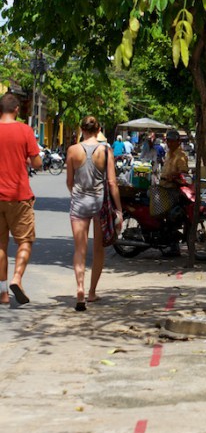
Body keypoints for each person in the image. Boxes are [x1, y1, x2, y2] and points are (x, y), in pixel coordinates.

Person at [66, 115, 122, 311]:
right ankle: (91, 292)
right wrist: (119, 209)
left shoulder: (72, 150)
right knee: (98, 249)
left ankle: (79, 288)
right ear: (99, 130)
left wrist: (77, 194)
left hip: (79, 203)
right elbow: (112, 183)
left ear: (82, 129)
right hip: (100, 204)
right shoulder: (106, 151)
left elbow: (69, 182)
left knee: (79, 249)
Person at [0, 93, 43, 305]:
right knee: (25, 241)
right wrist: (26, 159)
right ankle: (17, 278)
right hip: (19, 196)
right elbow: (37, 164)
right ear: (16, 109)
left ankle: (3, 293)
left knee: (0, 244)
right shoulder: (25, 130)